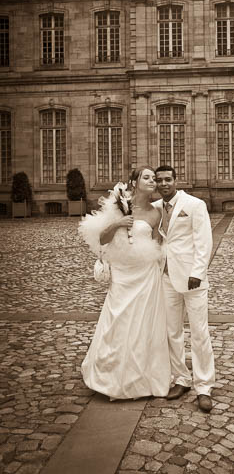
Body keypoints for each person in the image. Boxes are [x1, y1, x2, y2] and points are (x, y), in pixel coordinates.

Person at [79, 166, 171, 400]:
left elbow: (157, 243)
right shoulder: (119, 203)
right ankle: (110, 377)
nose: (152, 181)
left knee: (143, 323)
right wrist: (118, 223)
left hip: (145, 274)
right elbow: (101, 238)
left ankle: (141, 379)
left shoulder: (155, 212)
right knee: (117, 319)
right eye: (147, 177)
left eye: (153, 178)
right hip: (122, 273)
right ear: (134, 181)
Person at [153, 165, 215, 412]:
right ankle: (181, 379)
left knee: (200, 333)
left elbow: (204, 240)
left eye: (168, 179)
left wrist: (197, 273)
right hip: (166, 277)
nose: (164, 184)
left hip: (192, 279)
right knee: (172, 332)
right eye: (160, 181)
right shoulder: (156, 208)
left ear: (176, 181)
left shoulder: (194, 205)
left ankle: (204, 386)